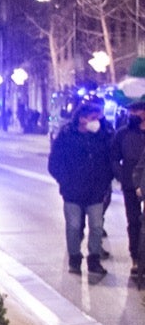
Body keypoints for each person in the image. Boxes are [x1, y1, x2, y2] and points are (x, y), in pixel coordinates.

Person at [49, 99, 114, 276]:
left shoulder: (102, 136)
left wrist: (104, 182)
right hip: (73, 192)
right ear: (82, 118)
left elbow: (109, 160)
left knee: (97, 226)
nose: (96, 121)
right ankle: (75, 259)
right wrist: (65, 182)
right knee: (74, 226)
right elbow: (54, 162)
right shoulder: (67, 135)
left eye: (98, 118)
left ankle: (94, 260)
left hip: (95, 191)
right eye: (93, 118)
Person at [114, 98, 145, 279]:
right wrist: (123, 176)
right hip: (130, 185)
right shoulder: (123, 133)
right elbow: (114, 158)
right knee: (134, 222)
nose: (133, 114)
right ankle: (136, 258)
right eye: (131, 111)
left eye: (137, 110)